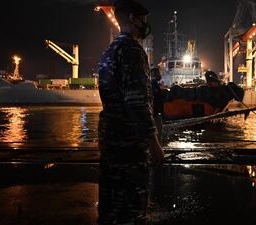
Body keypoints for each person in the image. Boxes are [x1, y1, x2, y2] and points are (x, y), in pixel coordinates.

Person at [97, 0, 164, 224]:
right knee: (132, 206)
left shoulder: (108, 52)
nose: (146, 24)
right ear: (134, 19)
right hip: (129, 142)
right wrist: (153, 143)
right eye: (143, 20)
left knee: (110, 202)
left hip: (110, 139)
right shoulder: (133, 51)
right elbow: (136, 102)